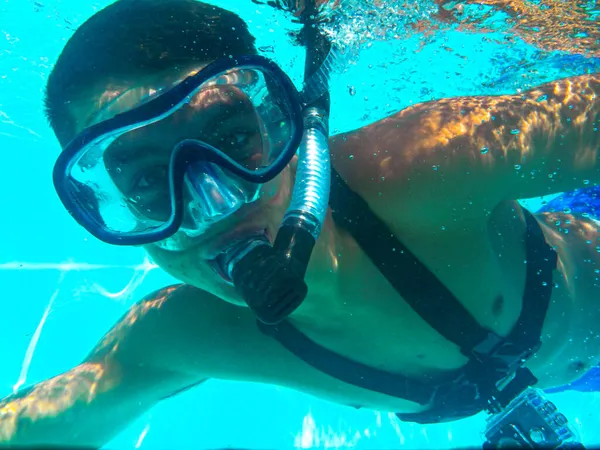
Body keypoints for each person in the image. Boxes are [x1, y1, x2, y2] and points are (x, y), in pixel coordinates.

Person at [1, 0, 599, 447]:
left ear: (283, 125)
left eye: (233, 138)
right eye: (149, 183)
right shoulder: (191, 334)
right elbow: (44, 424)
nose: (215, 203)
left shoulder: (420, 166)